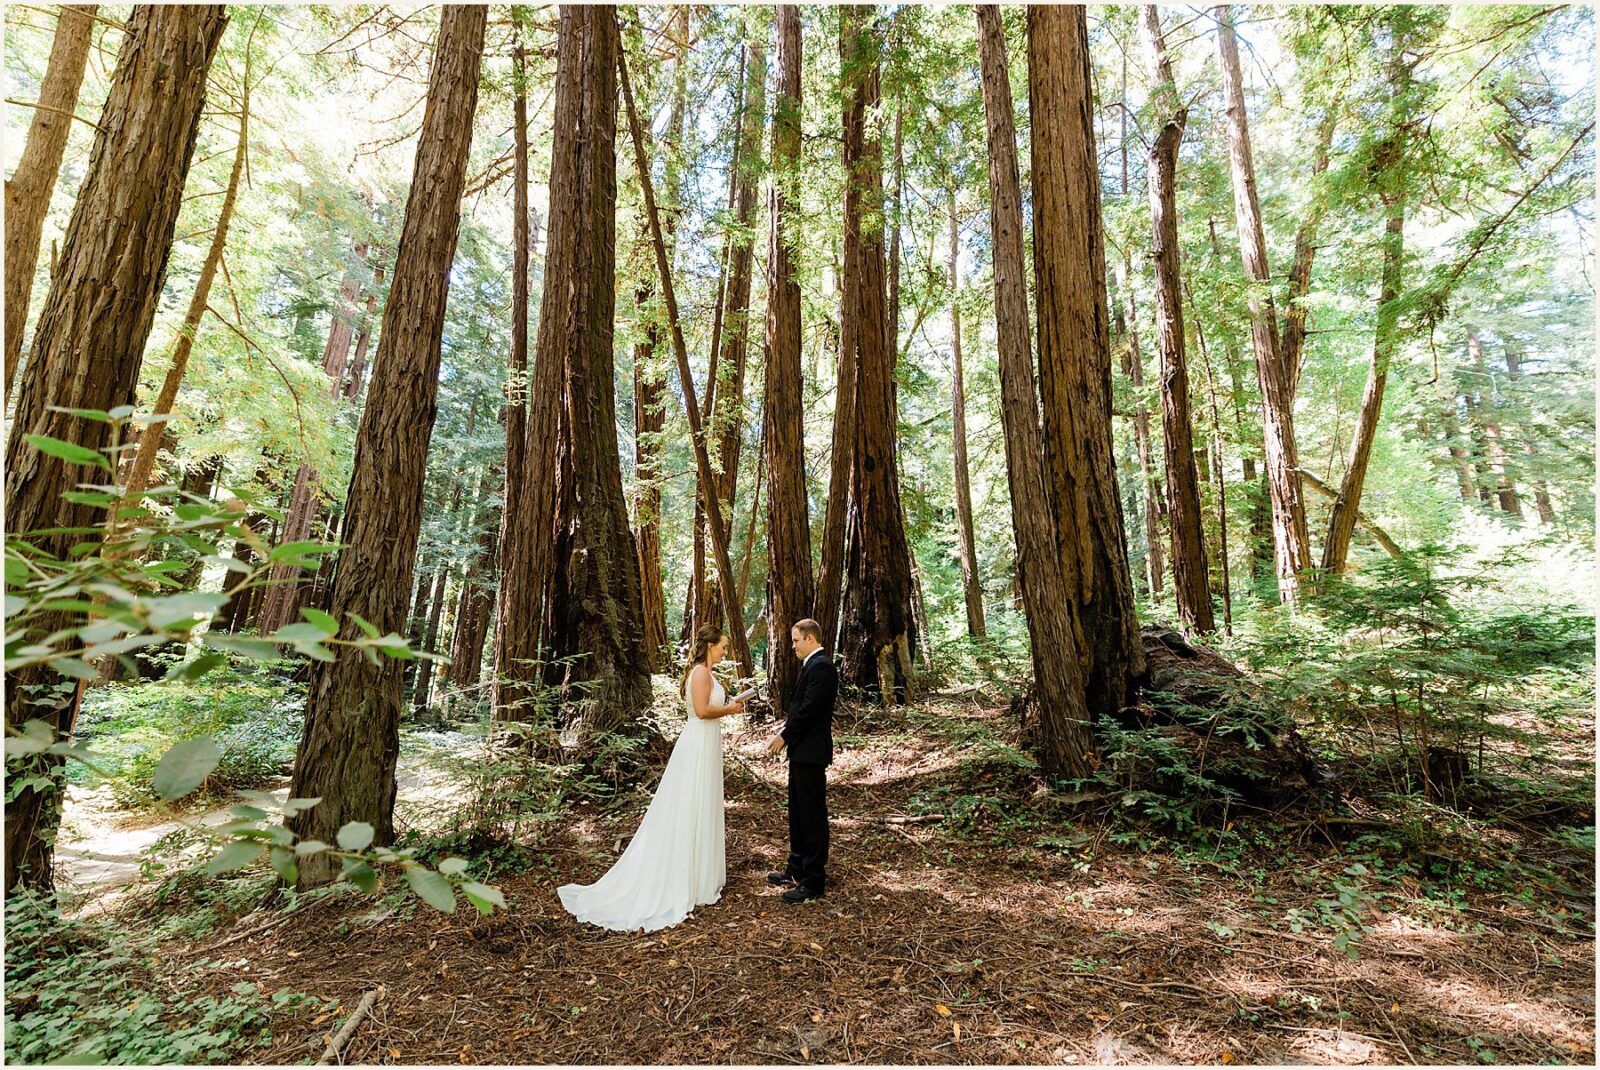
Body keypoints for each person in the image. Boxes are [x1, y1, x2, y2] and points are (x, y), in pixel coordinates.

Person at [558, 623, 745, 931]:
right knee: (689, 805)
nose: (725, 650)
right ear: (710, 645)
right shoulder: (700, 672)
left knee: (701, 804)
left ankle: (699, 876)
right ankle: (682, 876)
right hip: (697, 743)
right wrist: (730, 709)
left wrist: (728, 708)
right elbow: (700, 710)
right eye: (723, 645)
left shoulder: (707, 673)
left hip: (707, 742)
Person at [765, 618, 837, 903]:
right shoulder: (812, 666)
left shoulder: (822, 668)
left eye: (796, 640)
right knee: (797, 811)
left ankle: (813, 880)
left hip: (811, 752)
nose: (792, 646)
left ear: (810, 639)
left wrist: (784, 736)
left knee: (812, 815)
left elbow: (808, 711)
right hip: (802, 752)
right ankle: (796, 867)